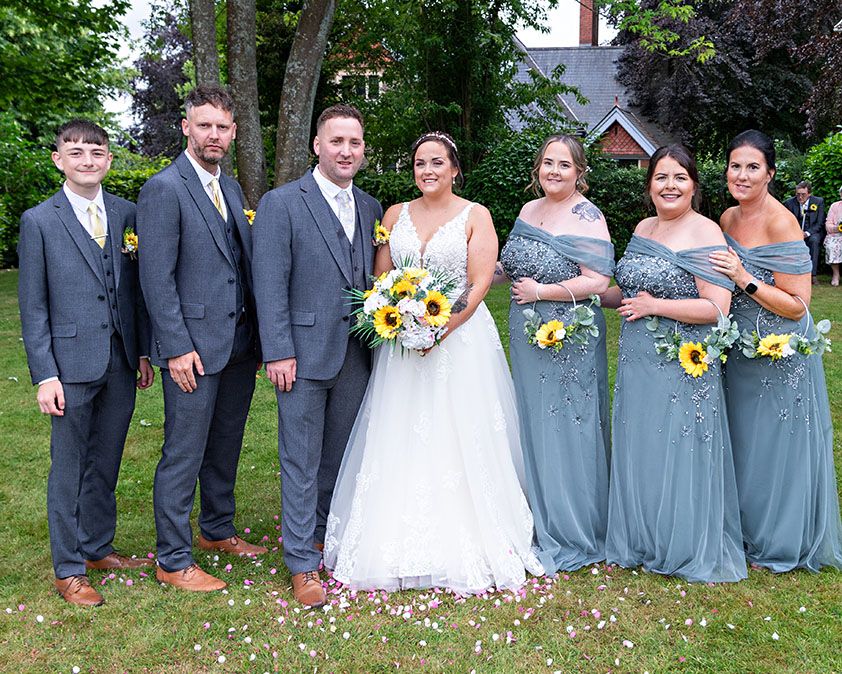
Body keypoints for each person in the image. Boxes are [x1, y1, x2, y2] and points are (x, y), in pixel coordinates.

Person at [323, 131, 543, 595]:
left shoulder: (475, 215)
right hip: (401, 347)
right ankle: (390, 538)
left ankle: (471, 533)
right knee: (397, 431)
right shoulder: (394, 214)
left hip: (460, 343)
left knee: (459, 431)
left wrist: (440, 329)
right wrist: (399, 321)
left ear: (454, 169)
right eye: (420, 163)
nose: (427, 171)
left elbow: (481, 283)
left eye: (437, 163)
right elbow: (381, 276)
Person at [18, 120, 155, 606]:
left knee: (106, 458)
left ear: (109, 160)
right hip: (69, 364)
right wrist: (45, 374)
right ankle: (68, 567)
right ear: (59, 159)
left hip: (119, 359)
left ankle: (98, 547)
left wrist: (140, 350)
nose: (87, 161)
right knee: (69, 465)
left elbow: (134, 291)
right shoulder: (40, 220)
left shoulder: (125, 213)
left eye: (96, 153)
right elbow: (33, 305)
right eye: (76, 153)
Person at [251, 105, 383, 607]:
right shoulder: (282, 203)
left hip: (356, 353)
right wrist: (278, 350)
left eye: (354, 142)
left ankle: (326, 539)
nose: (346, 151)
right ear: (317, 146)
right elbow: (269, 283)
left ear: (363, 148)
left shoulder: (370, 207)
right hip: (301, 355)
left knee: (340, 454)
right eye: (336, 142)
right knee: (300, 458)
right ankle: (301, 563)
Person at [138, 84, 265, 593]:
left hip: (237, 345)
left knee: (226, 443)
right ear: (187, 127)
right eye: (205, 125)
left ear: (233, 132)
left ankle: (216, 530)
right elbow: (155, 277)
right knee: (183, 451)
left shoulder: (230, 188)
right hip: (191, 348)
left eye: (223, 127)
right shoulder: (164, 188)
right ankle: (172, 558)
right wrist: (175, 347)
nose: (214, 134)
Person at [602, 144, 746, 583]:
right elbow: (628, 294)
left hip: (682, 360)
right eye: (661, 177)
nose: (670, 185)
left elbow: (717, 308)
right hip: (637, 359)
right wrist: (579, 293)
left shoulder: (706, 233)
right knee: (643, 444)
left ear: (694, 186)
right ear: (649, 186)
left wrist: (655, 307)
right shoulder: (644, 227)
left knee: (677, 446)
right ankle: (644, 536)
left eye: (679, 177)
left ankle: (681, 541)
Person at [710, 130, 842, 572]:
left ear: (770, 173)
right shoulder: (727, 219)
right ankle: (745, 528)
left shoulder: (781, 221)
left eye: (752, 167)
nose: (742, 175)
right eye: (735, 166)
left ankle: (779, 535)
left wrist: (745, 277)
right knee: (745, 439)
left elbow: (798, 304)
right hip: (738, 347)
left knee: (774, 442)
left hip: (778, 347)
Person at [499, 135, 614, 573]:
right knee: (535, 421)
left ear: (579, 171)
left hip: (569, 335)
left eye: (564, 165)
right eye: (548, 163)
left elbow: (599, 282)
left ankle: (575, 527)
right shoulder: (530, 211)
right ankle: (540, 514)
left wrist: (542, 292)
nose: (554, 171)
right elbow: (510, 266)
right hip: (527, 334)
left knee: (570, 424)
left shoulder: (588, 215)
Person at [784, 181, 826, 284]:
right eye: (798, 194)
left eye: (803, 194)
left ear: (809, 194)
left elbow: (819, 223)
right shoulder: (789, 203)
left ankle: (813, 275)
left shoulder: (818, 202)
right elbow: (785, 221)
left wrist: (807, 233)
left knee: (814, 241)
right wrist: (795, 233)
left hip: (812, 232)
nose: (800, 197)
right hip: (795, 231)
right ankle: (792, 274)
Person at [823, 186, 842, 286]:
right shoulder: (835, 206)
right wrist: (836, 228)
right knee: (832, 245)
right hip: (836, 235)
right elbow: (828, 224)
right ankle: (836, 275)